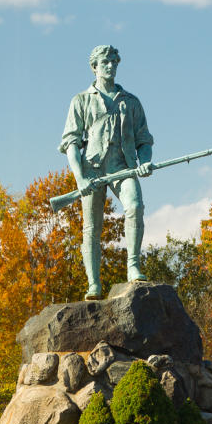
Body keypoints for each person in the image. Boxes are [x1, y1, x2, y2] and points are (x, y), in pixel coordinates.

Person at [59, 44, 154, 299]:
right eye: (105, 62)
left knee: (134, 206)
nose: (111, 66)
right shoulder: (80, 101)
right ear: (94, 67)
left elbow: (144, 140)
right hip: (92, 170)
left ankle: (133, 266)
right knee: (92, 227)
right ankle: (94, 284)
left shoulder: (131, 102)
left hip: (123, 165)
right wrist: (80, 178)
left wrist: (144, 161)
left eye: (114, 61)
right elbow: (71, 143)